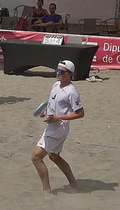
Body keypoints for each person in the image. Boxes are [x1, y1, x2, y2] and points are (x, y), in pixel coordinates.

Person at [32, 60, 84, 193]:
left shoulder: (72, 92)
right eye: (57, 70)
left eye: (61, 72)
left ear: (70, 74)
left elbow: (80, 113)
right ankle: (73, 183)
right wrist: (46, 112)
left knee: (36, 158)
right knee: (54, 156)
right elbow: (52, 105)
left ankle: (46, 190)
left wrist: (59, 118)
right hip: (52, 127)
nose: (57, 73)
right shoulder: (55, 85)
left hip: (58, 129)